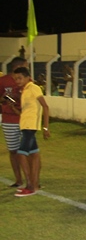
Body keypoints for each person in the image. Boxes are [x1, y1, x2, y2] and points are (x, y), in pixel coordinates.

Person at [11, 67, 50, 197]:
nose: (17, 81)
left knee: (21, 154)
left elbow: (45, 106)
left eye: (20, 78)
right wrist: (13, 107)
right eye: (15, 79)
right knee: (34, 154)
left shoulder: (33, 88)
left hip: (30, 126)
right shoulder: (25, 91)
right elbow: (26, 112)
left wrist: (45, 127)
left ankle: (30, 186)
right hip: (25, 125)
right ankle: (35, 184)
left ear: (28, 77)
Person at [1, 57, 26, 188]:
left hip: (25, 119)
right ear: (17, 66)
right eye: (25, 66)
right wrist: (5, 99)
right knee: (13, 151)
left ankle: (32, 180)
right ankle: (18, 179)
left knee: (27, 151)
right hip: (9, 120)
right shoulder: (3, 81)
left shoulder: (28, 80)